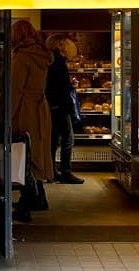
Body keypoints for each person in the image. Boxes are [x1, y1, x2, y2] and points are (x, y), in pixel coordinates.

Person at [11, 19, 53, 220]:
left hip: (25, 111)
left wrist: (7, 118)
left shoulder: (21, 58)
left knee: (24, 155)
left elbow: (15, 91)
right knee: (36, 153)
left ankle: (27, 202)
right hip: (40, 109)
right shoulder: (42, 56)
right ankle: (39, 197)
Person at [45, 33, 85, 184]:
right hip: (61, 107)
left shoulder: (50, 60)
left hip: (52, 106)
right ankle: (66, 172)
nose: (68, 46)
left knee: (53, 140)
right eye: (66, 43)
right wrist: (70, 87)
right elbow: (60, 88)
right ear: (60, 45)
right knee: (68, 139)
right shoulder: (59, 62)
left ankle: (51, 171)